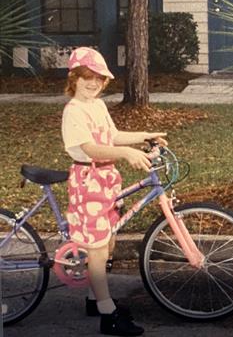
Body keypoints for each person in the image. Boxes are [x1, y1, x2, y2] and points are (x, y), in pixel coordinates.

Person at [62, 47, 167, 335]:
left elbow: (112, 135)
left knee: (107, 241)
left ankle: (95, 299)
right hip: (88, 180)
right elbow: (90, 148)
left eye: (97, 78)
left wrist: (144, 135)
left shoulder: (96, 105)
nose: (92, 83)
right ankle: (107, 315)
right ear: (74, 78)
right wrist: (124, 153)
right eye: (85, 77)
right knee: (96, 250)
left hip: (106, 178)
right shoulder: (74, 110)